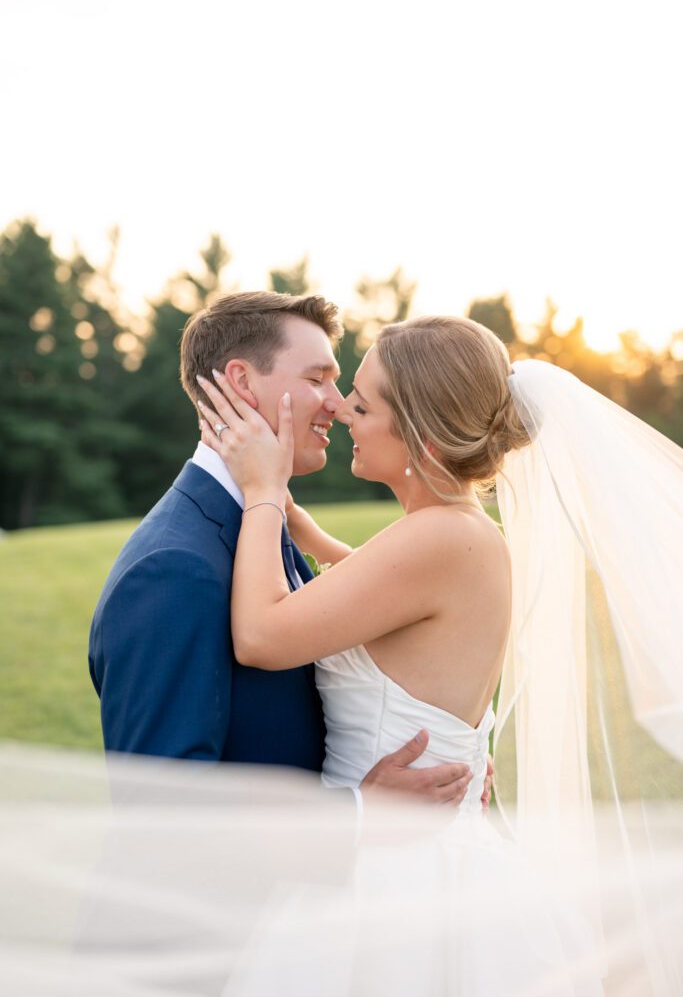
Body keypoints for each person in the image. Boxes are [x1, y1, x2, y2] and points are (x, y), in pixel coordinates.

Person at [198, 313, 683, 995]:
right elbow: (379, 600)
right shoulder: (458, 534)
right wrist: (306, 529)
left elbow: (261, 636)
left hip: (395, 878)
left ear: (420, 436)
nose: (339, 408)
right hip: (429, 853)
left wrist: (262, 496)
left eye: (362, 403)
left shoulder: (433, 542)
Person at [88, 292, 480, 807]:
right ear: (243, 383)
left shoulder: (265, 525)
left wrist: (447, 760)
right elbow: (164, 815)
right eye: (317, 379)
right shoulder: (172, 568)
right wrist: (360, 812)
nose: (338, 404)